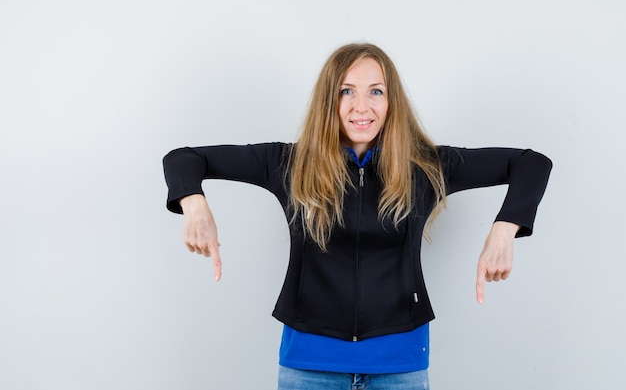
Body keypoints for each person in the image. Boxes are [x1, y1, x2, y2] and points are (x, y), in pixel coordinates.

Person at [162, 43, 552, 390]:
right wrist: (194, 202)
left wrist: (504, 229)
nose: (360, 106)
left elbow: (530, 163)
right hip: (308, 366)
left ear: (391, 101)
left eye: (375, 92)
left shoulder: (428, 166)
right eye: (346, 91)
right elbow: (184, 158)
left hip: (400, 366)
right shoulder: (289, 163)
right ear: (327, 100)